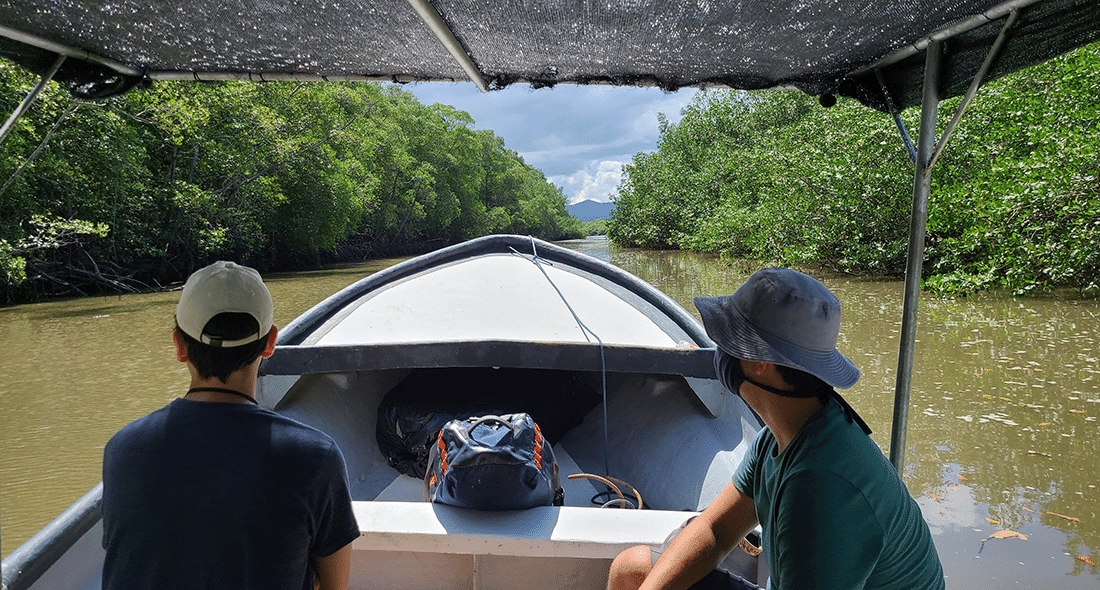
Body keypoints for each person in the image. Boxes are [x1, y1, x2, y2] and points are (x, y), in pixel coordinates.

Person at [607, 267, 944, 590]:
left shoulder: (819, 484)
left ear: (758, 362)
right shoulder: (781, 435)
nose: (718, 352)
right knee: (632, 569)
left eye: (727, 341)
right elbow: (715, 531)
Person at [102, 261, 360, 590]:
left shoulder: (122, 449)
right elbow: (336, 585)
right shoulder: (315, 458)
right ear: (270, 343)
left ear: (179, 346)